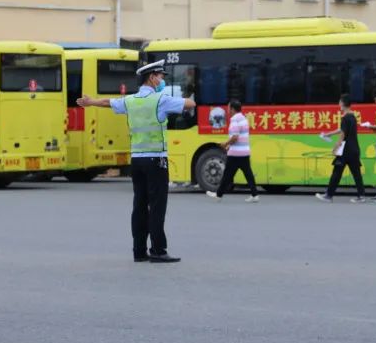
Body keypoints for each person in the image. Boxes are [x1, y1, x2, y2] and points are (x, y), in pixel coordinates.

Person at [77, 59, 195, 264]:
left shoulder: (130, 100)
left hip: (137, 160)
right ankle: (158, 250)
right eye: (160, 76)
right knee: (157, 206)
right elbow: (190, 104)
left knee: (139, 205)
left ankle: (139, 251)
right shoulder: (160, 99)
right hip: (156, 159)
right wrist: (188, 92)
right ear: (152, 77)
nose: (162, 80)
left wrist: (91, 101)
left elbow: (108, 102)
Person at [206, 99, 260, 203]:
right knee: (248, 174)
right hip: (244, 151)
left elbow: (235, 137)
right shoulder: (243, 118)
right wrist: (229, 145)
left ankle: (218, 195)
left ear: (232, 109)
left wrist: (225, 144)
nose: (227, 110)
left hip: (236, 153)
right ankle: (255, 195)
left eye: (228, 107)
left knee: (227, 174)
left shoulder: (235, 119)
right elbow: (239, 137)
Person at [315, 94, 366, 203]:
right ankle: (361, 196)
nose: (338, 104)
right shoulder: (352, 116)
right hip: (354, 149)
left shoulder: (345, 118)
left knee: (337, 172)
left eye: (339, 102)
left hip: (345, 151)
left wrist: (335, 147)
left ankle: (329, 195)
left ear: (342, 103)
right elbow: (342, 130)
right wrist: (329, 134)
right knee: (356, 173)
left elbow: (342, 134)